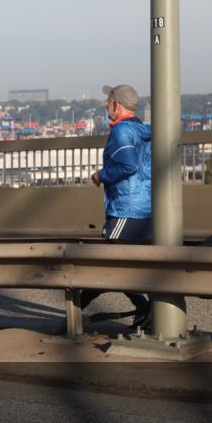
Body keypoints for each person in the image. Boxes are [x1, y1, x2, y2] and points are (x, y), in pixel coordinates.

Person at [82, 84, 152, 327]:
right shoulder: (142, 129)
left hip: (126, 207)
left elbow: (128, 166)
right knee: (135, 264)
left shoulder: (120, 131)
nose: (105, 105)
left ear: (116, 105)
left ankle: (144, 309)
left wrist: (101, 175)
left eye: (108, 100)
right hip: (146, 206)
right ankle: (149, 312)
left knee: (109, 264)